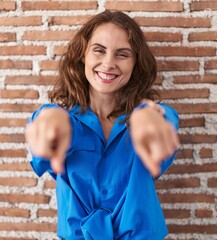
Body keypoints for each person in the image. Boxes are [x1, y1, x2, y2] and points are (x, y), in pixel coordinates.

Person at [25, 10, 180, 240]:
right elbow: (42, 145)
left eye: (122, 54)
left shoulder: (152, 117)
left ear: (135, 64)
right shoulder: (60, 119)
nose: (108, 63)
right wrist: (50, 116)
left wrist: (151, 116)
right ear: (82, 55)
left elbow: (164, 121)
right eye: (99, 50)